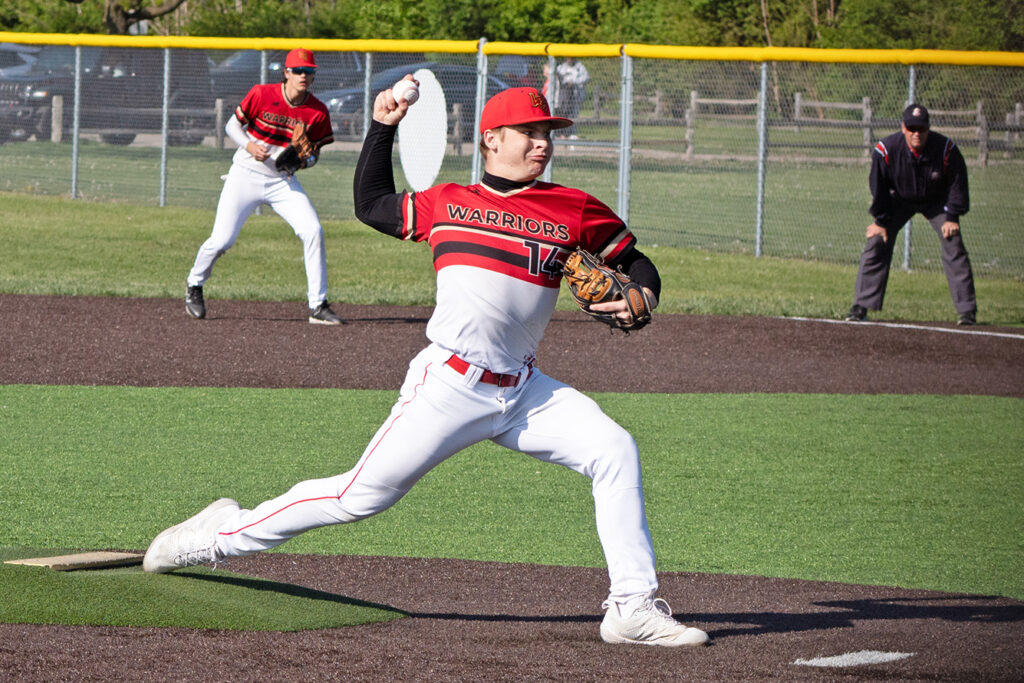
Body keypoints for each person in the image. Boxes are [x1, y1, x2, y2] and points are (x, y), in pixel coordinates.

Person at [142, 84, 709, 648]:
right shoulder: (447, 202)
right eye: (530, 133)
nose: (543, 144)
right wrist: (382, 126)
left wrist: (645, 293)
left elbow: (634, 260)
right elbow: (370, 206)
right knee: (355, 499)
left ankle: (631, 606)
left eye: (548, 134)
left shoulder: (573, 208)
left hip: (525, 391)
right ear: (492, 139)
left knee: (614, 449)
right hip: (449, 387)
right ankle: (217, 535)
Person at [184, 48, 344, 325]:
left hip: (283, 181)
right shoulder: (262, 94)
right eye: (298, 71)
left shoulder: (317, 112)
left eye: (309, 71)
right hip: (245, 174)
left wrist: (305, 161)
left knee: (313, 231)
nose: (304, 76)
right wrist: (248, 144)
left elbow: (314, 154)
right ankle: (194, 284)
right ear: (286, 73)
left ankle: (318, 305)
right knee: (222, 241)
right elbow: (232, 125)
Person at [846, 103, 977, 326]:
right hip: (899, 200)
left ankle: (967, 312)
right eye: (912, 128)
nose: (916, 134)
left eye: (921, 129)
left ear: (928, 129)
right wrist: (881, 220)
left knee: (952, 240)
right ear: (903, 128)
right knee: (877, 240)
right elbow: (878, 187)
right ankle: (861, 306)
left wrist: (952, 216)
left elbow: (957, 182)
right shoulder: (886, 150)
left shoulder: (946, 149)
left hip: (937, 201)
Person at [554, 57, 589, 139]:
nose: (569, 60)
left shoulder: (580, 67)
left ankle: (572, 134)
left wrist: (573, 82)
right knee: (562, 113)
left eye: (571, 58)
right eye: (567, 58)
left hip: (575, 95)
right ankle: (561, 133)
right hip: (563, 96)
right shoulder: (561, 67)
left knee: (573, 114)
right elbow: (557, 79)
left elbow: (586, 78)